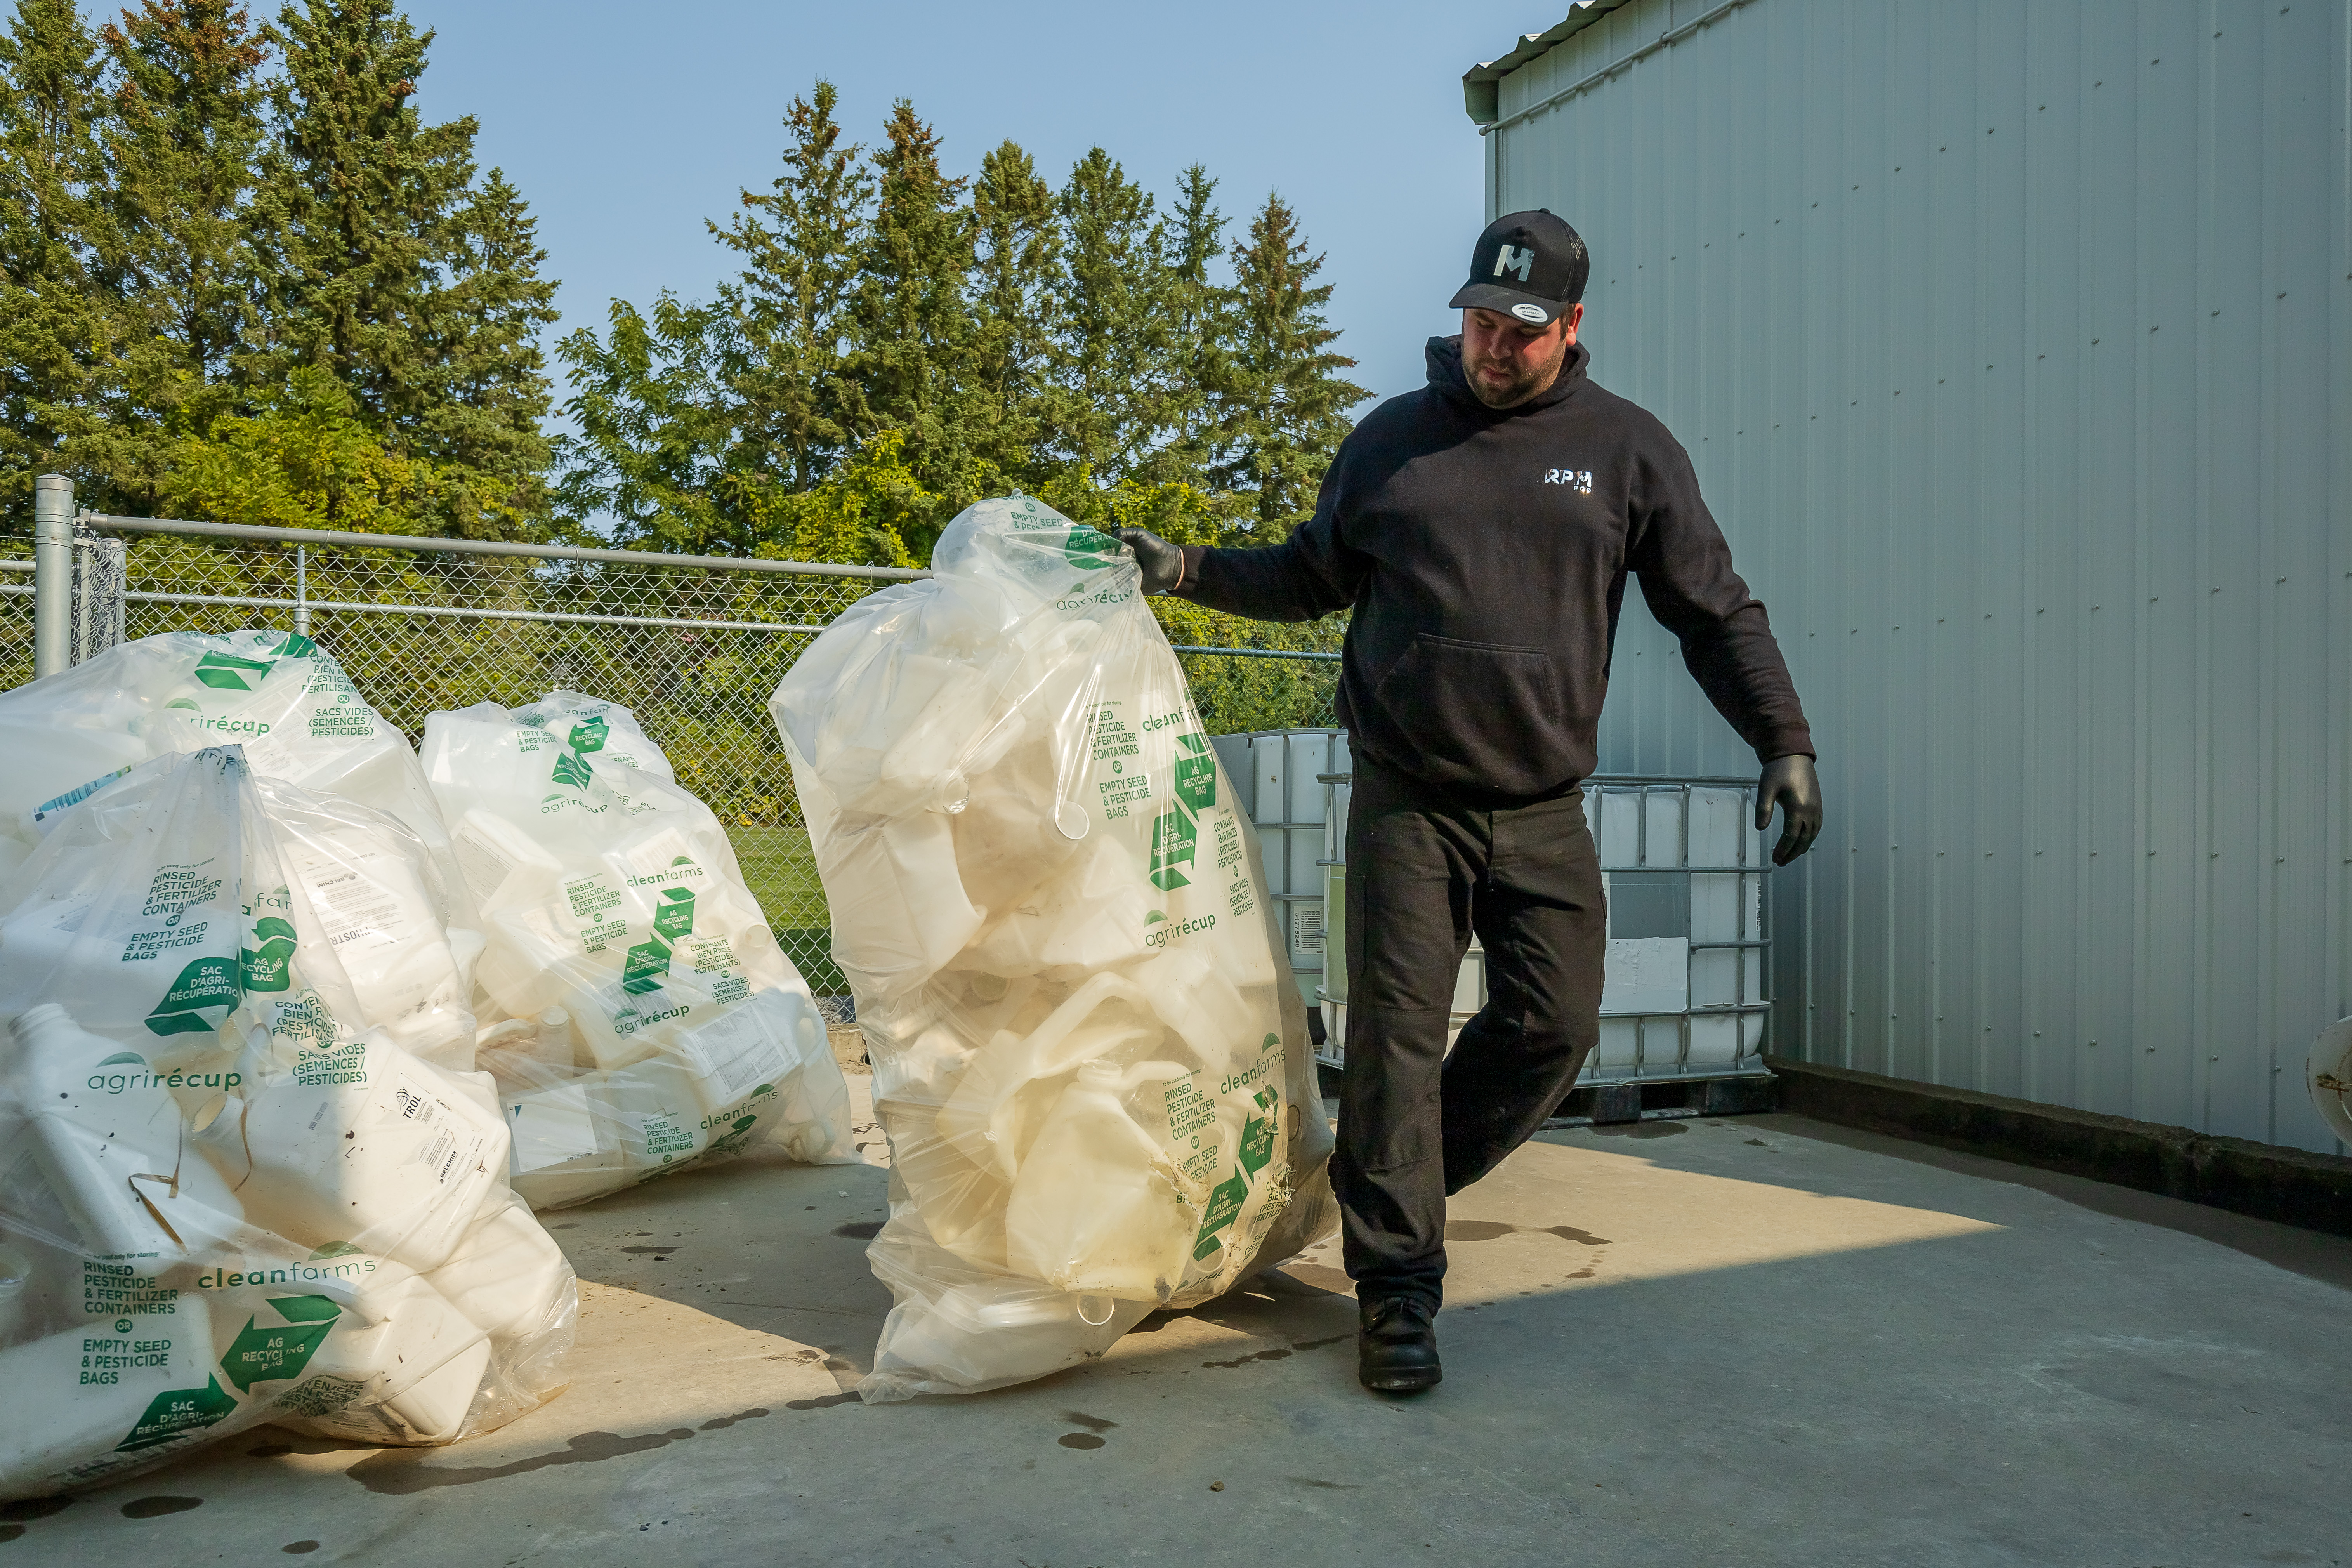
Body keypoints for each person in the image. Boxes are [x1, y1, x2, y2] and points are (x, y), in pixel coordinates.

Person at [1118, 210, 1823, 1395]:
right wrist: (1187, 570)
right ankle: (1397, 1290)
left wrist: (1783, 740)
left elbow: (1712, 610)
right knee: (1394, 1045)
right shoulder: (1393, 442)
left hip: (1541, 801)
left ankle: (1391, 1183)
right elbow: (1308, 574)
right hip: (1407, 799)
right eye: (1480, 322)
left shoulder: (1624, 452)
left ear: (1573, 326)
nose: (1494, 347)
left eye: (1522, 330)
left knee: (1555, 1026)